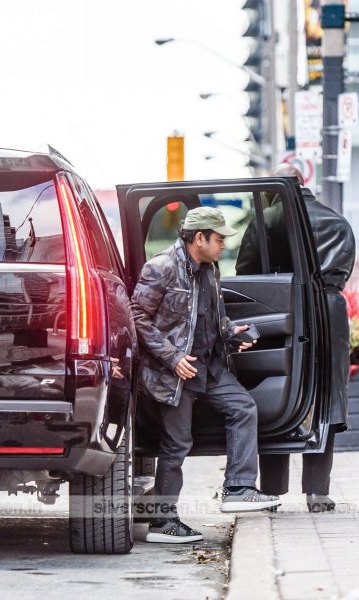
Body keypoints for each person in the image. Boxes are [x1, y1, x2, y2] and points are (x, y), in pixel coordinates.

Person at [131, 206, 281, 544]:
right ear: (199, 238)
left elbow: (209, 317)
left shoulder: (209, 270)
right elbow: (137, 316)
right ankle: (162, 523)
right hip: (175, 373)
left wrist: (230, 334)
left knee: (243, 408)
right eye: (218, 239)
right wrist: (172, 357)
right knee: (176, 445)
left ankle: (239, 488)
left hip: (210, 367)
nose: (224, 244)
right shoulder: (161, 268)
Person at [236, 164, 356, 513]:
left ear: (278, 186)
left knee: (276, 392)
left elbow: (246, 271)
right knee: (329, 397)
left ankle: (272, 491)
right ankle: (318, 492)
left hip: (281, 307)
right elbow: (344, 271)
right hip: (331, 314)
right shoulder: (337, 221)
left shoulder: (266, 219)